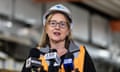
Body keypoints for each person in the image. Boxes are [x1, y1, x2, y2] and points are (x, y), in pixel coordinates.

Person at [22, 4, 96, 72]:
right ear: (46, 29)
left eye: (62, 24)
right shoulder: (35, 54)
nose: (57, 27)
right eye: (53, 23)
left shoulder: (81, 54)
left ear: (68, 30)